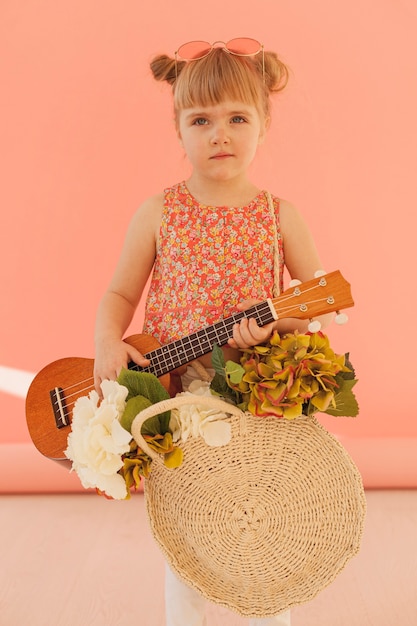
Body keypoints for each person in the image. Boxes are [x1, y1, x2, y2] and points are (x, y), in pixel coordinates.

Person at [94, 38, 331, 626]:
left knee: (261, 518)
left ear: (263, 126)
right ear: (179, 129)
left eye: (236, 119)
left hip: (254, 395)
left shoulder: (280, 216)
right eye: (201, 119)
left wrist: (278, 319)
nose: (219, 134)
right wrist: (107, 338)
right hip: (175, 394)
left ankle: (268, 613)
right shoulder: (158, 213)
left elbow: (317, 304)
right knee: (189, 526)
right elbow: (120, 294)